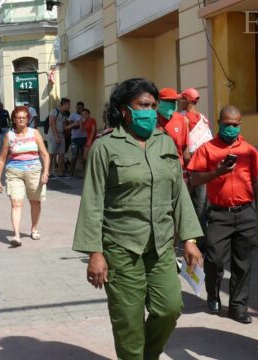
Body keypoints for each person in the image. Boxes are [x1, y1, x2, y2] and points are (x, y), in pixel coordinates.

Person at [73, 78, 203, 360]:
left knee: (169, 308)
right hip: (122, 248)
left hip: (161, 247)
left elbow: (179, 192)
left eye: (153, 106)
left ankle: (148, 355)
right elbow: (92, 201)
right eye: (143, 105)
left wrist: (191, 239)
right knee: (128, 322)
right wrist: (95, 253)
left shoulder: (164, 142)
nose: (150, 111)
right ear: (124, 110)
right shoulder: (105, 147)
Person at [188, 105, 258, 324]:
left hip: (246, 213)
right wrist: (218, 172)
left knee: (243, 263)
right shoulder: (206, 150)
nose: (232, 128)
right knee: (215, 259)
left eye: (236, 125)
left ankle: (238, 308)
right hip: (219, 214)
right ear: (219, 123)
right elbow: (194, 179)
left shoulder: (249, 151)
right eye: (227, 124)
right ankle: (213, 293)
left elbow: (256, 182)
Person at [0, 106, 50, 247]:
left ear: (28, 119)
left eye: (24, 117)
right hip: (14, 172)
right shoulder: (9, 135)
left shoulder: (35, 133)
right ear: (14, 119)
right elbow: (2, 158)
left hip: (34, 172)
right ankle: (16, 235)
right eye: (18, 117)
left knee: (35, 202)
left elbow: (45, 155)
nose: (21, 120)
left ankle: (34, 228)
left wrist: (46, 172)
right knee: (16, 203)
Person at [179, 87, 213, 251]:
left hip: (188, 168)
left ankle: (200, 240)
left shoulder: (180, 119)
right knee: (202, 205)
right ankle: (200, 238)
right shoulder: (204, 119)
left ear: (187, 100)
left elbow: (183, 148)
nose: (179, 102)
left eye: (181, 99)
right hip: (205, 167)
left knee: (192, 206)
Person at [156, 88, 190, 168]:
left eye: (174, 101)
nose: (172, 104)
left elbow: (185, 147)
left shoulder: (181, 120)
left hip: (177, 168)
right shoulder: (151, 119)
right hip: (157, 169)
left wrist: (188, 171)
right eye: (168, 101)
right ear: (159, 101)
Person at [47, 98, 70, 178]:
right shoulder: (54, 112)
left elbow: (64, 127)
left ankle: (60, 172)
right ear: (64, 104)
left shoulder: (63, 114)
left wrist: (74, 124)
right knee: (51, 155)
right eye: (68, 105)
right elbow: (52, 124)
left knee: (61, 154)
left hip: (61, 135)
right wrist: (56, 136)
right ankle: (48, 172)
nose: (69, 107)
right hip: (53, 136)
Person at [68, 101, 86, 177]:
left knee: (84, 156)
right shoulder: (72, 115)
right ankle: (71, 172)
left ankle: (85, 172)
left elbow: (88, 125)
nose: (79, 109)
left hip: (84, 137)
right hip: (75, 138)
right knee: (74, 156)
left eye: (81, 107)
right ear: (76, 107)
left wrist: (81, 125)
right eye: (78, 107)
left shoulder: (85, 116)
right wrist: (81, 126)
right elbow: (71, 126)